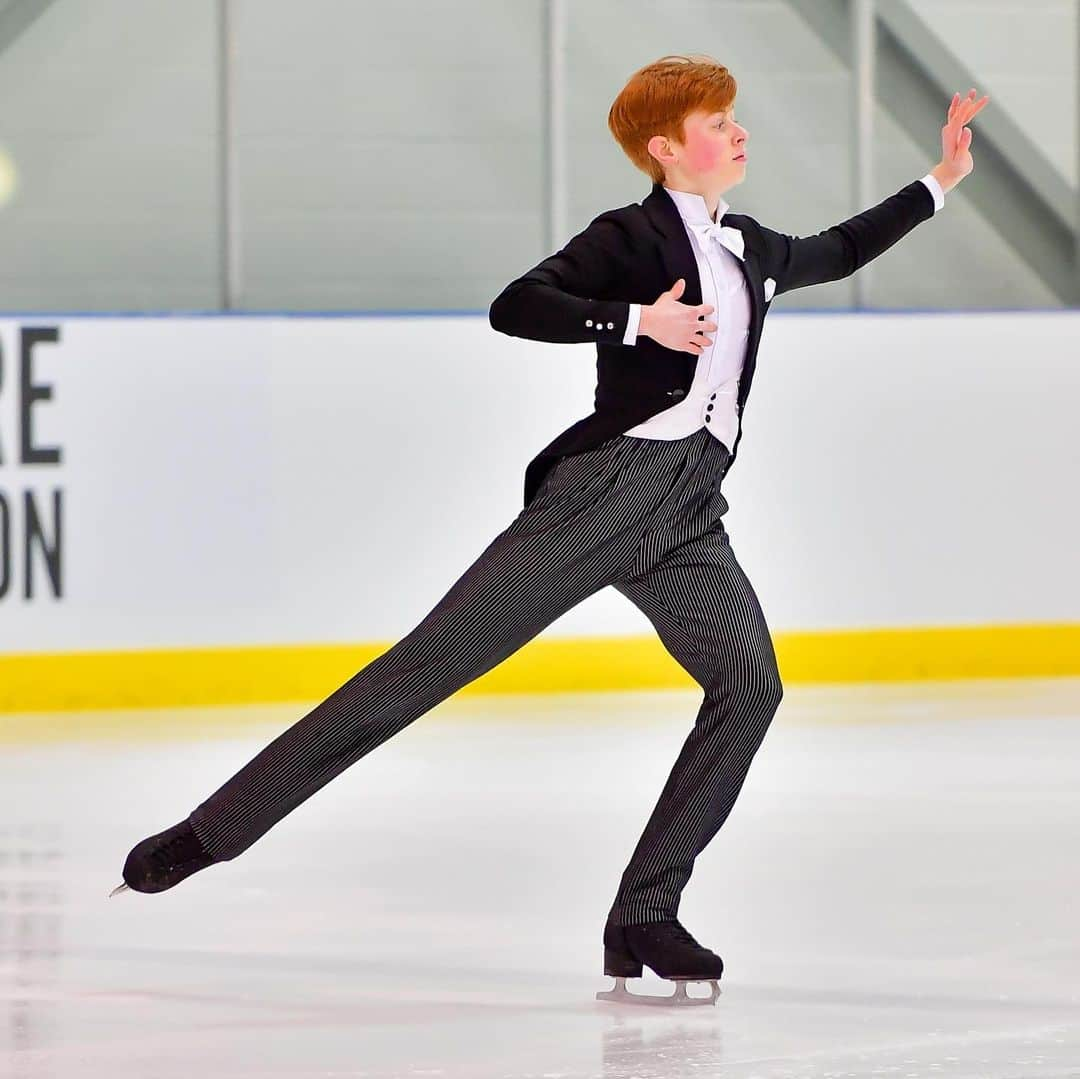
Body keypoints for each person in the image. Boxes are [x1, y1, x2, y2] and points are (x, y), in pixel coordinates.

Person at [112, 54, 987, 1006]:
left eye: (736, 118)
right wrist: (633, 322)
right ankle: (210, 832)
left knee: (750, 684)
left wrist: (940, 179)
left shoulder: (751, 247)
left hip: (690, 510)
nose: (737, 132)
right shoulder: (630, 236)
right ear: (665, 148)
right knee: (424, 667)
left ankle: (644, 913)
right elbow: (517, 305)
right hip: (600, 495)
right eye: (717, 120)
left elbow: (842, 248)